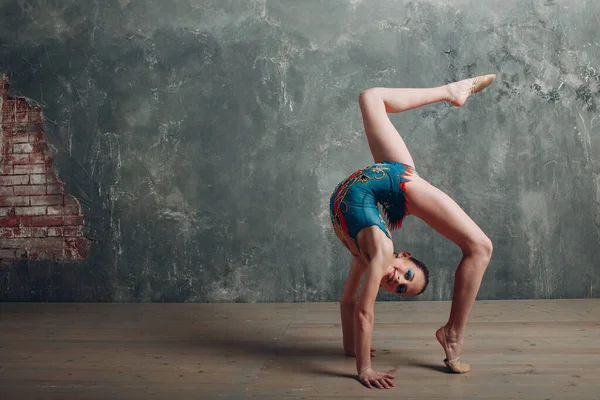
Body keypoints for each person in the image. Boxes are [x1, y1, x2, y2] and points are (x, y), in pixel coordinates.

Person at [329, 74, 496, 389]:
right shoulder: (381, 253)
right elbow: (364, 312)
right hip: (399, 182)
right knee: (480, 247)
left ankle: (451, 92)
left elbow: (349, 302)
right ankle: (453, 333)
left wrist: (351, 348)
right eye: (407, 274)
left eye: (401, 288)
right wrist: (363, 369)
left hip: (382, 179)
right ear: (402, 256)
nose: (397, 280)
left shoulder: (365, 257)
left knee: (370, 97)